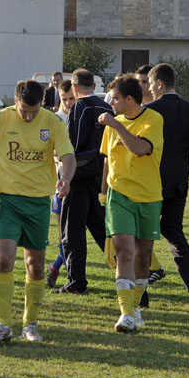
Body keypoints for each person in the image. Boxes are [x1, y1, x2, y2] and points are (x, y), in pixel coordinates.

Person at [0, 80, 75, 343]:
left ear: (42, 103)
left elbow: (68, 156)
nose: (29, 116)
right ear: (15, 101)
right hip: (6, 201)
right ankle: (3, 324)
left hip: (38, 203)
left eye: (34, 111)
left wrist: (65, 179)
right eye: (24, 111)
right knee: (4, 260)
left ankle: (30, 324)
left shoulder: (53, 122)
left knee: (36, 265)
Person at [98, 75, 164, 332]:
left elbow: (138, 148)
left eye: (114, 98)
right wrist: (103, 192)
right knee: (124, 252)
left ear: (128, 99)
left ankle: (135, 307)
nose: (110, 102)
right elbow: (107, 160)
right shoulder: (111, 125)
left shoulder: (153, 120)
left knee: (143, 255)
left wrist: (115, 125)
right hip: (119, 195)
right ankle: (125, 314)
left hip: (148, 196)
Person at [146, 63, 189, 310]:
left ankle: (140, 294)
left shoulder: (149, 111)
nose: (150, 90)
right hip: (178, 185)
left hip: (150, 184)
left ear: (159, 83)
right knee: (173, 232)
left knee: (143, 238)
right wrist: (187, 167)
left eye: (151, 85)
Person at [53, 70, 110, 295]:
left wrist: (63, 160)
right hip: (100, 176)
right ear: (94, 85)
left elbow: (72, 147)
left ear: (75, 87)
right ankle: (129, 272)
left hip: (78, 177)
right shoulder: (106, 107)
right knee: (102, 229)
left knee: (72, 231)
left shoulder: (80, 107)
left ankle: (76, 282)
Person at [135, 64, 166, 286]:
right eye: (138, 82)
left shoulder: (156, 113)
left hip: (155, 180)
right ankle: (153, 268)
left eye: (144, 82)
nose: (141, 86)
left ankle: (153, 268)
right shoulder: (129, 110)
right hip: (131, 181)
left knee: (145, 233)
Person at [46, 79, 76, 288]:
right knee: (63, 231)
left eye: (71, 99)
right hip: (60, 181)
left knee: (76, 231)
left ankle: (57, 266)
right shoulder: (55, 119)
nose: (68, 103)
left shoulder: (83, 115)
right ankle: (63, 271)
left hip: (81, 180)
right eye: (64, 99)